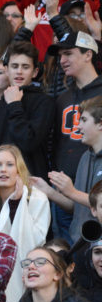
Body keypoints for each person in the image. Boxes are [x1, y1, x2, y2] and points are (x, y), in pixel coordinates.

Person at [48, 31, 102, 238]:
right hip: (65, 189)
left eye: (68, 54)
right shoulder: (62, 98)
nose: (62, 61)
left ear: (88, 55)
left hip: (96, 187)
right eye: (60, 55)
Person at [0, 145, 50, 302]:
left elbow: (36, 240)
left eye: (9, 164)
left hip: (27, 272)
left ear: (19, 169)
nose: (3, 170)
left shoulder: (37, 198)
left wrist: (17, 204)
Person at [0, 41, 53, 178]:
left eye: (25, 67)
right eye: (14, 66)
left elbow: (29, 142)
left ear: (35, 72)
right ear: (7, 70)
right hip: (0, 182)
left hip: (32, 182)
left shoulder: (44, 102)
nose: (19, 71)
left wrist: (15, 105)